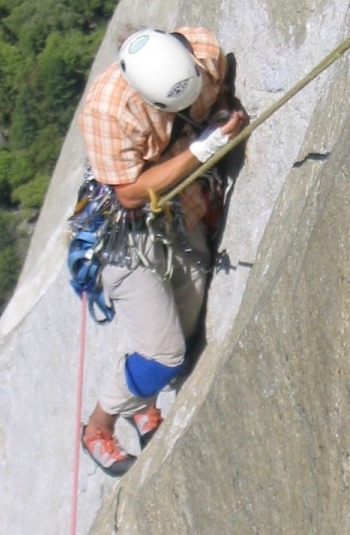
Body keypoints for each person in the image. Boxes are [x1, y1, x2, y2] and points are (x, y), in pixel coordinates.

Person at [74, 27, 246, 477]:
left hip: (180, 211)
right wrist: (205, 147)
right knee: (164, 354)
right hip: (126, 235)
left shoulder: (205, 51)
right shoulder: (107, 111)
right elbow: (129, 194)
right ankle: (98, 427)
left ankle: (140, 401)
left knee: (183, 329)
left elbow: (220, 93)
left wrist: (224, 112)